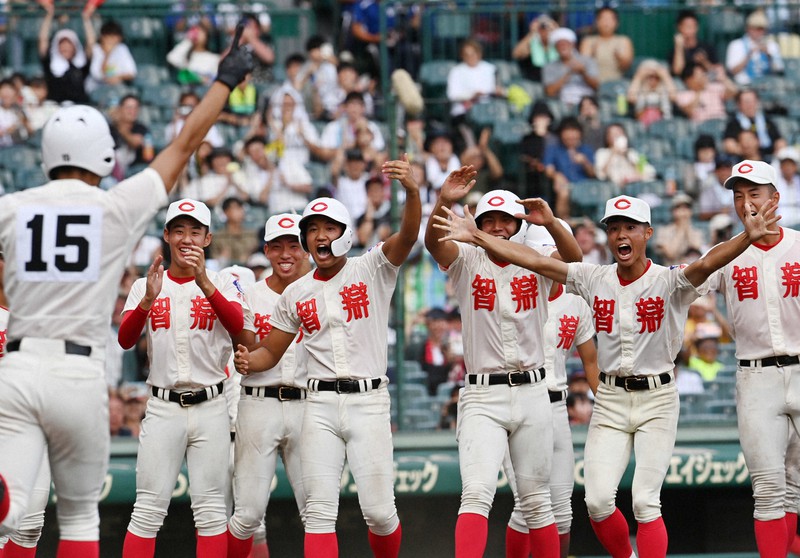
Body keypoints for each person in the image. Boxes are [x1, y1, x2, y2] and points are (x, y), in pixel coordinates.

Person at [0, 24, 252, 558]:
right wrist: (225, 80)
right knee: (78, 519)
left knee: (19, 515)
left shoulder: (12, 206)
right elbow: (185, 143)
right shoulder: (114, 206)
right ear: (103, 155)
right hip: (77, 372)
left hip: (17, 368)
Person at [432, 187, 777, 558]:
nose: (621, 235)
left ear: (648, 233)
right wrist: (483, 237)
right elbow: (539, 263)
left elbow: (707, 264)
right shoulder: (595, 277)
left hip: (657, 396)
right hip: (610, 397)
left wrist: (747, 237)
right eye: (614, 228)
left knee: (645, 502)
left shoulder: (667, 279)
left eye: (630, 227)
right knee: (595, 503)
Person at [234, 155, 422, 557]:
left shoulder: (371, 267)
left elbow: (406, 236)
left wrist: (410, 190)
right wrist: (251, 362)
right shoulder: (295, 293)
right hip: (317, 403)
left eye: (329, 228)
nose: (320, 235)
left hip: (368, 400)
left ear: (345, 234)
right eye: (313, 229)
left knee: (380, 513)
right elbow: (271, 350)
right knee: (319, 513)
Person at [425, 174, 583, 558]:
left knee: (536, 502)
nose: (498, 226)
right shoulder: (467, 259)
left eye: (506, 220)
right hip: (483, 393)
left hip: (533, 391)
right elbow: (433, 244)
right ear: (477, 225)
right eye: (489, 220)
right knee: (477, 494)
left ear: (519, 226)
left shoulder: (535, 262)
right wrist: (442, 200)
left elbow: (575, 261)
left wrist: (553, 226)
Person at [118, 199, 244, 557]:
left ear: (207, 238)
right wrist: (147, 301)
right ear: (166, 235)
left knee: (211, 514)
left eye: (194, 231)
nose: (186, 238)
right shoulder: (148, 284)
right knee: (147, 511)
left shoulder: (224, 281)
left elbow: (238, 328)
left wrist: (204, 281)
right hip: (163, 406)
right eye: (179, 230)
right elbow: (125, 340)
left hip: (212, 405)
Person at [707, 159, 799, 557]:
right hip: (755, 376)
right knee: (768, 487)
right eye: (739, 196)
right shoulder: (723, 254)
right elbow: (679, 286)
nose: (746, 203)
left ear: (775, 198)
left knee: (794, 488)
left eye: (754, 194)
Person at [504, 223, 599, 558]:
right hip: (521, 403)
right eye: (542, 256)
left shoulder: (575, 303)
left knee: (562, 511)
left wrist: (604, 404)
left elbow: (590, 361)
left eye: (555, 256)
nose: (550, 262)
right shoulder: (515, 293)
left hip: (558, 407)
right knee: (527, 507)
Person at [226, 213, 311, 558]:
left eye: (293, 245)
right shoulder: (250, 295)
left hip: (307, 405)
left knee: (317, 513)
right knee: (246, 516)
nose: (286, 253)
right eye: (277, 246)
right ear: (266, 250)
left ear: (305, 249)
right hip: (259, 402)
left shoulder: (319, 290)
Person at [38, 0, 94, 105]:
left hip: (78, 108)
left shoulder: (81, 65)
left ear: (75, 47)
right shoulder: (50, 64)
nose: (65, 48)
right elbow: (43, 40)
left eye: (69, 44)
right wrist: (49, 15)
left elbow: (91, 43)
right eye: (62, 44)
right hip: (55, 109)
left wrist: (86, 19)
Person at [543, 27, 599, 110]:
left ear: (573, 44)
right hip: (562, 104)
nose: (563, 47)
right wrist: (568, 73)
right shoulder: (549, 66)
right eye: (560, 45)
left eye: (566, 44)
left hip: (587, 102)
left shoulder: (587, 61)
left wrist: (583, 73)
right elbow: (549, 92)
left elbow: (597, 86)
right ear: (555, 47)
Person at [725, 10, 784, 86]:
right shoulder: (736, 45)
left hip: (768, 85)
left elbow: (779, 70)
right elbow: (732, 71)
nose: (759, 32)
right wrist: (749, 56)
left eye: (762, 29)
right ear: (748, 29)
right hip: (744, 85)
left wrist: (768, 56)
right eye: (755, 28)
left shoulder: (772, 45)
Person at [723, 89, 786, 159]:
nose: (750, 105)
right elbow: (729, 144)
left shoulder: (767, 120)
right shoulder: (733, 124)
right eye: (746, 102)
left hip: (770, 156)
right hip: (746, 159)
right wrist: (748, 152)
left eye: (752, 101)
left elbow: (779, 140)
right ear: (739, 104)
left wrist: (777, 154)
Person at [578, 6, 634, 83]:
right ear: (596, 22)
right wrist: (593, 55)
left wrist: (619, 57)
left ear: (617, 23)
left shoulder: (623, 40)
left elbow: (626, 66)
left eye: (610, 19)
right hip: (591, 85)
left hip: (616, 84)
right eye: (603, 19)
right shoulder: (588, 41)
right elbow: (583, 67)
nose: (606, 22)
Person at [594, 123, 656, 188]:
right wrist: (613, 153)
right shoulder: (602, 153)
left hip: (634, 187)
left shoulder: (632, 153)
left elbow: (649, 172)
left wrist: (627, 156)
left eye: (619, 133)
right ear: (607, 137)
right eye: (613, 134)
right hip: (614, 189)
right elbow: (601, 175)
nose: (617, 136)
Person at [655, 192, 706, 267]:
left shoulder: (696, 232)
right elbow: (670, 254)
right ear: (673, 211)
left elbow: (697, 250)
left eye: (686, 208)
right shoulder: (664, 231)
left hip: (692, 272)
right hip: (671, 272)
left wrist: (687, 227)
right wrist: (681, 229)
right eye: (679, 207)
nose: (683, 211)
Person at [86, 19, 137, 93]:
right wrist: (107, 55)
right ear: (102, 37)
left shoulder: (122, 48)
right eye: (110, 36)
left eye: (116, 37)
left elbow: (132, 73)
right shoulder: (96, 49)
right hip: (97, 88)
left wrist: (118, 77)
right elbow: (98, 75)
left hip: (117, 88)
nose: (113, 40)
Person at [626, 60, 676, 127]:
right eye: (650, 77)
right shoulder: (638, 89)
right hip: (643, 124)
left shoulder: (664, 89)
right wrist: (638, 77)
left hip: (664, 125)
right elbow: (631, 99)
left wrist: (665, 76)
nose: (653, 80)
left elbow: (674, 97)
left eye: (656, 77)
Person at [669, 9, 718, 78]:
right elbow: (677, 71)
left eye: (692, 26)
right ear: (679, 27)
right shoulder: (675, 51)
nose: (690, 30)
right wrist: (679, 46)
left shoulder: (707, 46)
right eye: (687, 26)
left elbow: (717, 73)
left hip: (707, 82)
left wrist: (704, 62)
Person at [511, 14, 559, 82]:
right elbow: (516, 54)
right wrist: (532, 32)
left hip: (554, 81)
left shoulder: (557, 43)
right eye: (542, 28)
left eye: (548, 27)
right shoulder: (532, 42)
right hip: (534, 82)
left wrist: (557, 31)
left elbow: (570, 53)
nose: (546, 31)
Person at [773, 147, 800, 228]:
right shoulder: (774, 183)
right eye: (785, 164)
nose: (788, 167)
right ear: (780, 166)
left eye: (791, 164)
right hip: (780, 225)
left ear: (795, 166)